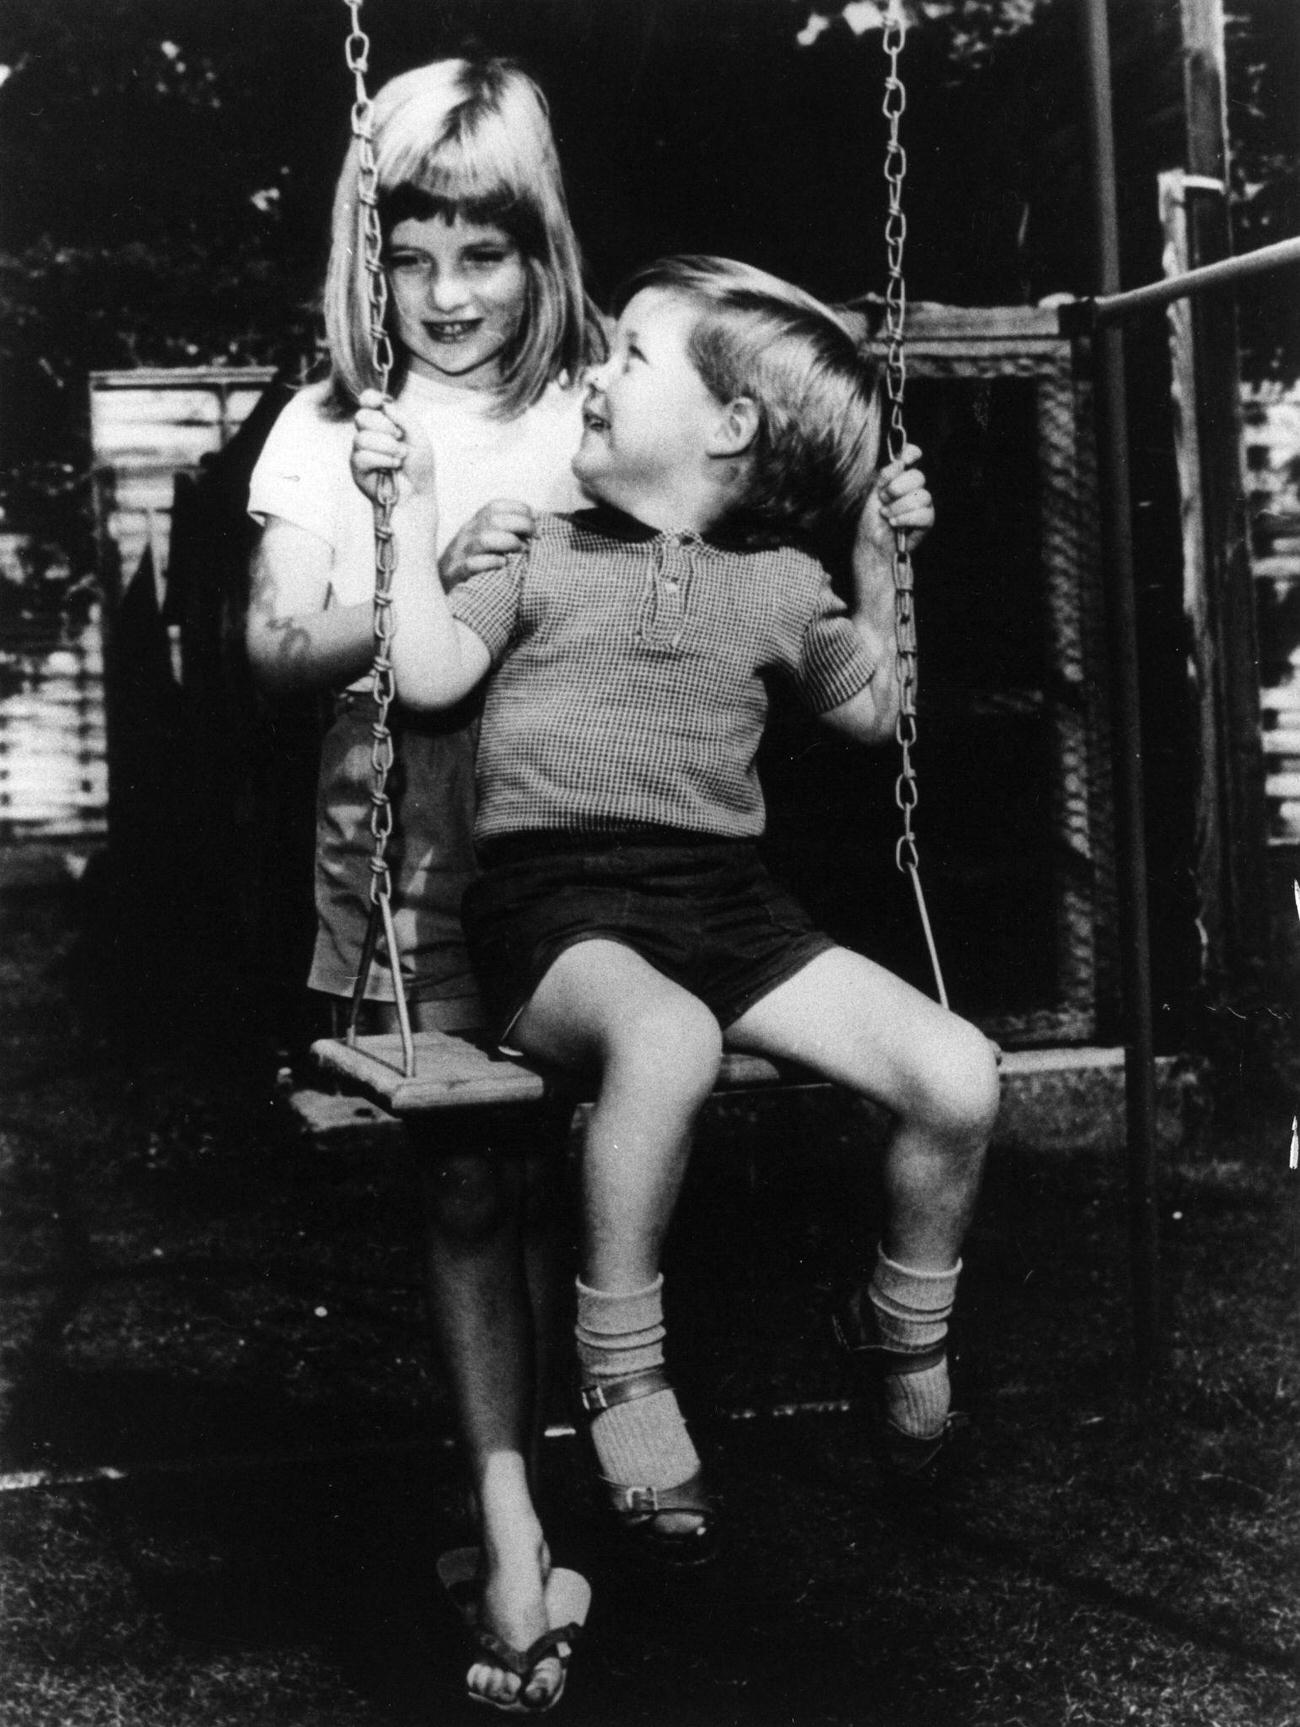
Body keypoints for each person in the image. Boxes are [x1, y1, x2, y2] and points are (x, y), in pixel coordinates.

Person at [351, 255, 1001, 1581]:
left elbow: (873, 714)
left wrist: (880, 561)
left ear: (730, 427)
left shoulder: (780, 585)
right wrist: (407, 515)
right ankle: (623, 1375)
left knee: (961, 1074)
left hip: (725, 901)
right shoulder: (531, 546)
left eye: (628, 358)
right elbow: (424, 674)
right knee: (669, 1043)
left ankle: (902, 1329)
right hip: (558, 908)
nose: (592, 372)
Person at [245, 56, 607, 1714]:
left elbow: (734, 536)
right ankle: (507, 1511)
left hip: (594, 844)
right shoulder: (339, 425)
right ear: (366, 256)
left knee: (578, 1169)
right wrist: (405, 592)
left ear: (541, 251)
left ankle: (566, 1453)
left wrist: (875, 523)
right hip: (413, 856)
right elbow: (270, 643)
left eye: (486, 251)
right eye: (412, 254)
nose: (449, 293)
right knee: (471, 1182)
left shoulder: (602, 394)